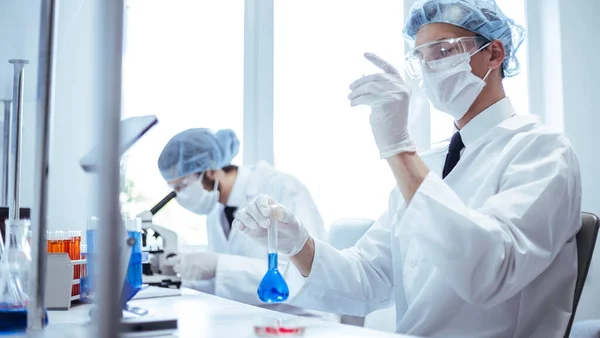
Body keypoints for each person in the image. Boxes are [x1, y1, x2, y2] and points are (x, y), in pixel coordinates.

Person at [233, 0, 582, 337]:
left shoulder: (541, 150)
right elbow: (368, 278)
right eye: (422, 58)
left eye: (443, 51)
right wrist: (297, 244)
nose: (430, 69)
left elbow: (490, 273)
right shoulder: (428, 163)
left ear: (493, 53)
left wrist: (398, 149)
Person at [157, 128, 332, 320]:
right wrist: (182, 274)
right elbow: (227, 283)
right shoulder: (216, 210)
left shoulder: (283, 188)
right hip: (252, 316)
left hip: (300, 319)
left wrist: (218, 265)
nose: (180, 196)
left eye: (181, 186)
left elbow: (305, 274)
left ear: (211, 171)